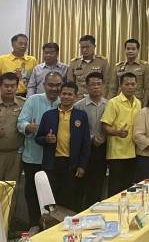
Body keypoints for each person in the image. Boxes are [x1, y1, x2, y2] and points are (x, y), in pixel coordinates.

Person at [35, 81, 90, 212]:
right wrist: (46, 139)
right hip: (52, 164)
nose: (66, 96)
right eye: (64, 93)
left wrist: (82, 165)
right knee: (52, 200)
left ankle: (68, 223)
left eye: (70, 94)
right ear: (59, 95)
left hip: (72, 165)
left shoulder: (81, 116)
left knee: (69, 199)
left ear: (75, 97)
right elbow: (38, 138)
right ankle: (52, 223)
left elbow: (86, 143)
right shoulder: (48, 115)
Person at [17, 71, 61, 226]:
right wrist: (28, 126)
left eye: (57, 85)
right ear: (44, 85)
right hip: (33, 157)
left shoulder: (63, 102)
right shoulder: (33, 100)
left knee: (52, 195)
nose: (54, 88)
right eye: (51, 85)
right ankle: (34, 226)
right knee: (32, 194)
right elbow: (20, 122)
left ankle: (51, 227)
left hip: (54, 159)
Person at [101, 72, 141, 195]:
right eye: (127, 84)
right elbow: (105, 126)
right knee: (115, 190)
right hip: (117, 154)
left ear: (137, 85)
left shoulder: (138, 103)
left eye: (133, 84)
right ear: (121, 85)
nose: (130, 87)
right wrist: (117, 132)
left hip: (133, 152)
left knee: (130, 189)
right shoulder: (113, 102)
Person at [73, 71, 108, 208]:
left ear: (103, 86)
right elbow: (76, 131)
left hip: (102, 149)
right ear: (87, 87)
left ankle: (95, 212)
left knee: (97, 183)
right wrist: (91, 138)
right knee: (81, 185)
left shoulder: (109, 104)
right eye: (93, 84)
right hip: (84, 149)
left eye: (99, 84)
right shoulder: (79, 106)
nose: (96, 87)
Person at [0, 73, 24, 225]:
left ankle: (6, 227)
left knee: (10, 191)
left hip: (14, 155)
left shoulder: (23, 104)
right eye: (6, 86)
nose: (9, 89)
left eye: (12, 86)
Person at [67, 34, 111, 101]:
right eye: (82, 47)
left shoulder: (102, 62)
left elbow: (106, 83)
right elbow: (70, 84)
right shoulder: (74, 62)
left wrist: (102, 99)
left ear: (94, 46)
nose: (84, 50)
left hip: (96, 99)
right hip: (78, 99)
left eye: (87, 47)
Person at [109, 39, 149, 104]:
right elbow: (113, 88)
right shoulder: (118, 66)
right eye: (128, 49)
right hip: (120, 102)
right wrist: (110, 103)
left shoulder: (144, 66)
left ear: (138, 50)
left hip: (137, 102)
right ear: (125, 50)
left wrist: (145, 104)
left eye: (133, 49)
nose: (130, 51)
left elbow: (147, 88)